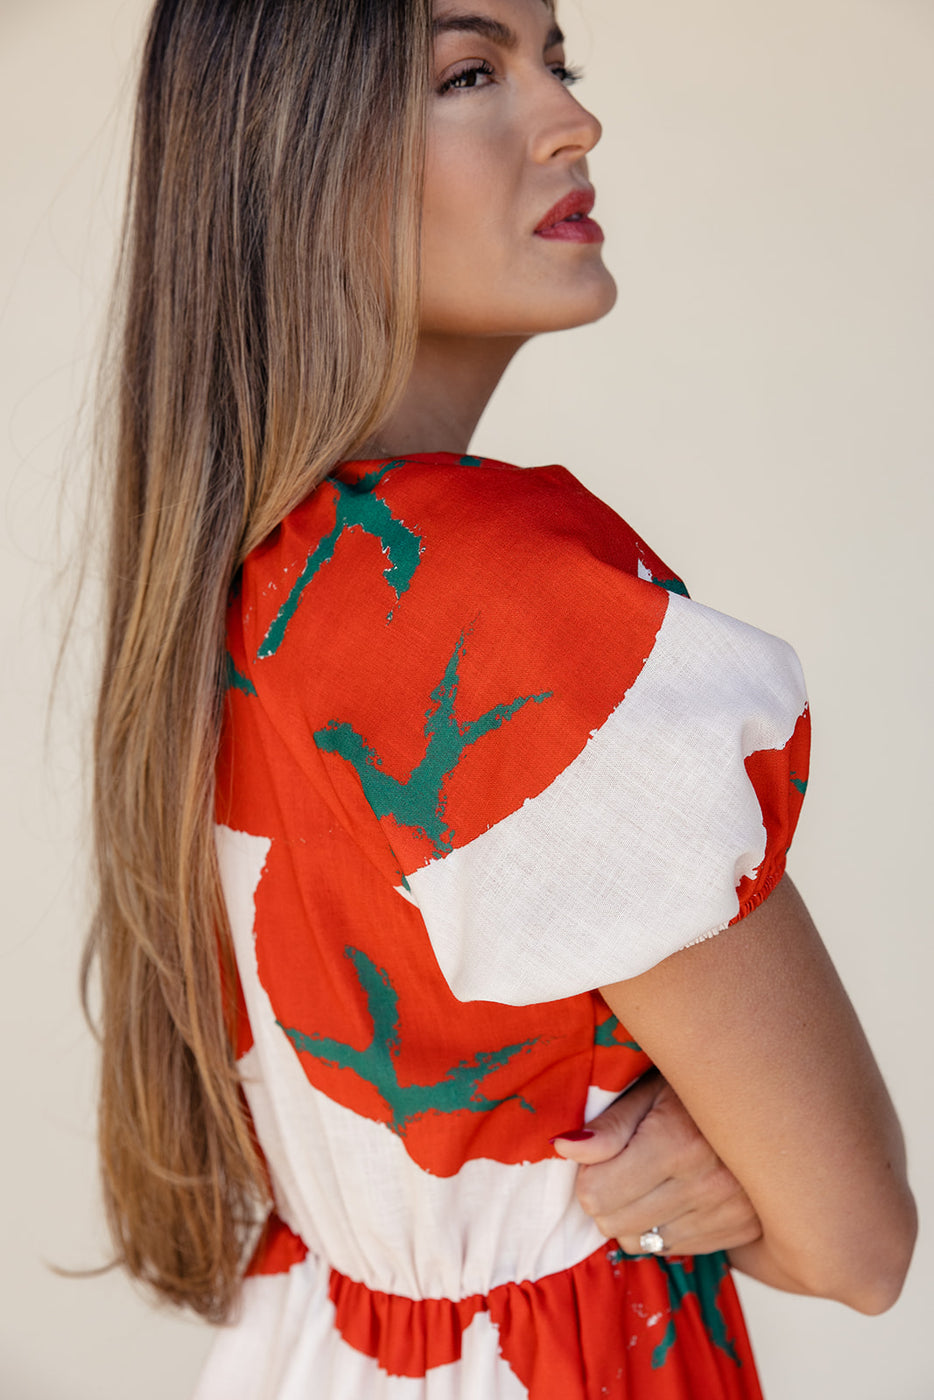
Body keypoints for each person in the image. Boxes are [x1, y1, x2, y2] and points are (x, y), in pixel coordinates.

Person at [86, 0, 916, 1395]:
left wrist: (706, 1136)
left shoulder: (240, 575)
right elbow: (857, 1241)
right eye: (471, 73)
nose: (574, 120)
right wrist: (724, 1158)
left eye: (557, 61)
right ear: (293, 159)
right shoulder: (495, 613)